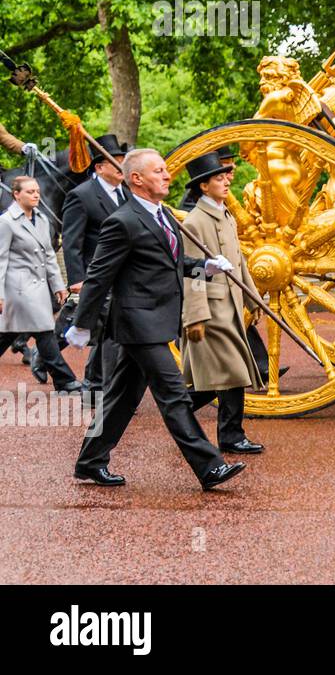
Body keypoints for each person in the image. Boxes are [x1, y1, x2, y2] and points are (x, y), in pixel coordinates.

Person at [65, 149, 245, 490]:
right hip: (138, 323)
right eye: (159, 171)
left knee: (121, 399)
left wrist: (202, 267)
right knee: (174, 394)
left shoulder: (162, 215)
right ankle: (209, 467)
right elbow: (100, 275)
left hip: (156, 320)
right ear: (137, 179)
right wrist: (82, 323)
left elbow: (169, 263)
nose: (167, 176)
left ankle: (90, 462)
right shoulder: (123, 221)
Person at [179, 153, 265, 454]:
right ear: (203, 186)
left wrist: (254, 299)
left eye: (226, 175)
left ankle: (178, 413)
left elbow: (238, 262)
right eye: (219, 178)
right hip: (212, 311)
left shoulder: (225, 215)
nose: (227, 180)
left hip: (231, 306)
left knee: (219, 377)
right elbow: (193, 274)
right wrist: (196, 316)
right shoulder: (194, 222)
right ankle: (231, 435)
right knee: (233, 371)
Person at [60, 133, 130, 400]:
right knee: (104, 330)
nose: (121, 166)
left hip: (121, 274)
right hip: (94, 273)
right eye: (116, 162)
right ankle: (104, 388)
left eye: (123, 161)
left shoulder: (126, 194)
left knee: (107, 331)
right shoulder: (81, 195)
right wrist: (77, 279)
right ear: (99, 167)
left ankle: (93, 385)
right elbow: (71, 241)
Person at [0, 176, 80, 393]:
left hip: (37, 288)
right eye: (29, 192)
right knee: (44, 330)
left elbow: (49, 257)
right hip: (16, 289)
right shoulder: (6, 222)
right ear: (16, 194)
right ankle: (66, 381)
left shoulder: (43, 220)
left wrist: (58, 286)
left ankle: (65, 381)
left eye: (37, 191)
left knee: (8, 332)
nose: (36, 195)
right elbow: (1, 260)